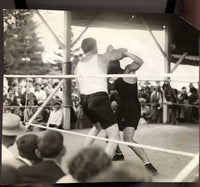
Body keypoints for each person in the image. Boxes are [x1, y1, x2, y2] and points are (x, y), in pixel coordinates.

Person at [87, 45, 158, 175]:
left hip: (131, 107)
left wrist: (125, 53)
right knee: (109, 134)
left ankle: (149, 165)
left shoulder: (127, 70)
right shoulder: (110, 75)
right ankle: (118, 154)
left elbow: (140, 62)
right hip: (120, 107)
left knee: (128, 139)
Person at [75, 37, 127, 157]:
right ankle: (103, 167)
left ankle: (82, 156)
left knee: (97, 127)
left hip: (84, 99)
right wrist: (122, 50)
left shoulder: (78, 65)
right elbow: (119, 53)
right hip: (98, 98)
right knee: (114, 137)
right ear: (95, 47)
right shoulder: (100, 57)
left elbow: (78, 86)